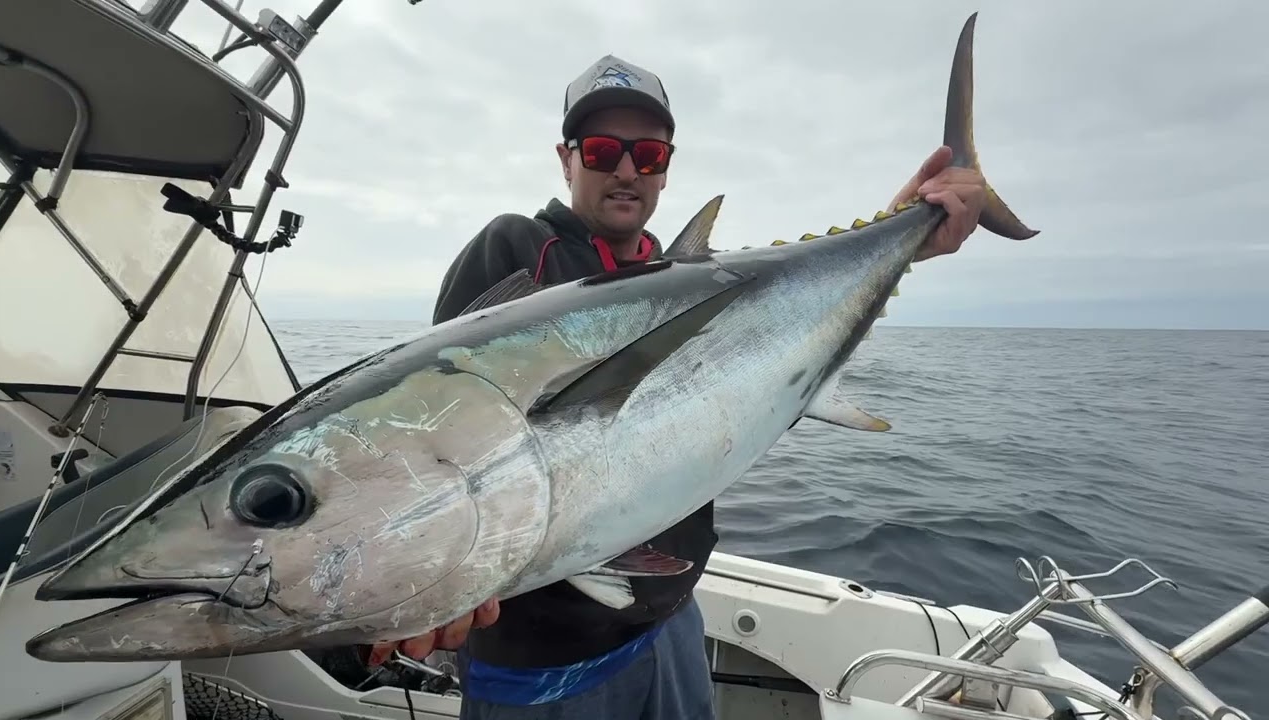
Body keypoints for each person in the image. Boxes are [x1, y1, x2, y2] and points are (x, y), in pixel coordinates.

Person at [368, 54, 991, 719]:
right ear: (566, 158)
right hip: (540, 668)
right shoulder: (517, 250)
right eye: (605, 149)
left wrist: (907, 230)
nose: (628, 170)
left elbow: (771, 355)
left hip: (670, 624)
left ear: (667, 164)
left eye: (649, 153)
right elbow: (445, 443)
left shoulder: (691, 278)